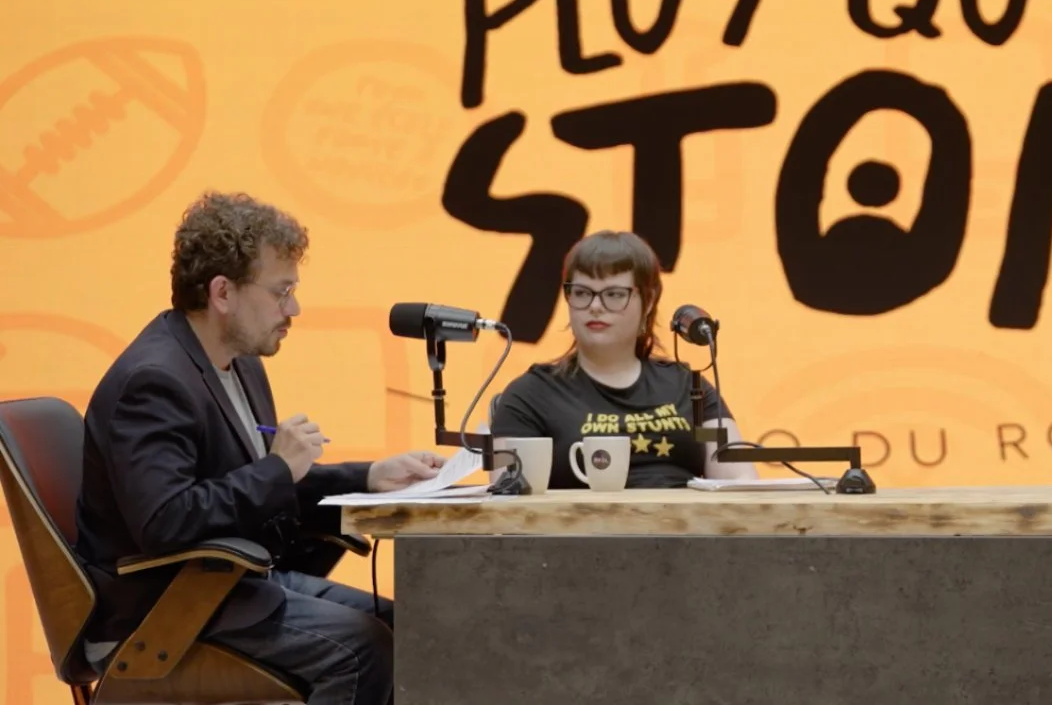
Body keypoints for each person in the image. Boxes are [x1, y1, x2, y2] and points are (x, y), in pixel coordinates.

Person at [76, 191, 447, 705]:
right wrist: (276, 468)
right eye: (281, 291)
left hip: (227, 586)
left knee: (404, 629)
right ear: (223, 292)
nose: (293, 308)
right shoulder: (154, 381)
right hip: (165, 606)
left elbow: (258, 484)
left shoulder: (241, 362)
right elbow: (166, 522)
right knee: (363, 649)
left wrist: (367, 478)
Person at [489, 230, 759, 488]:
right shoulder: (531, 395)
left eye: (614, 294)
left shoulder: (689, 389)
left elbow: (738, 481)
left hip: (682, 532)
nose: (595, 306)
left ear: (649, 300)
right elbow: (508, 502)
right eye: (582, 293)